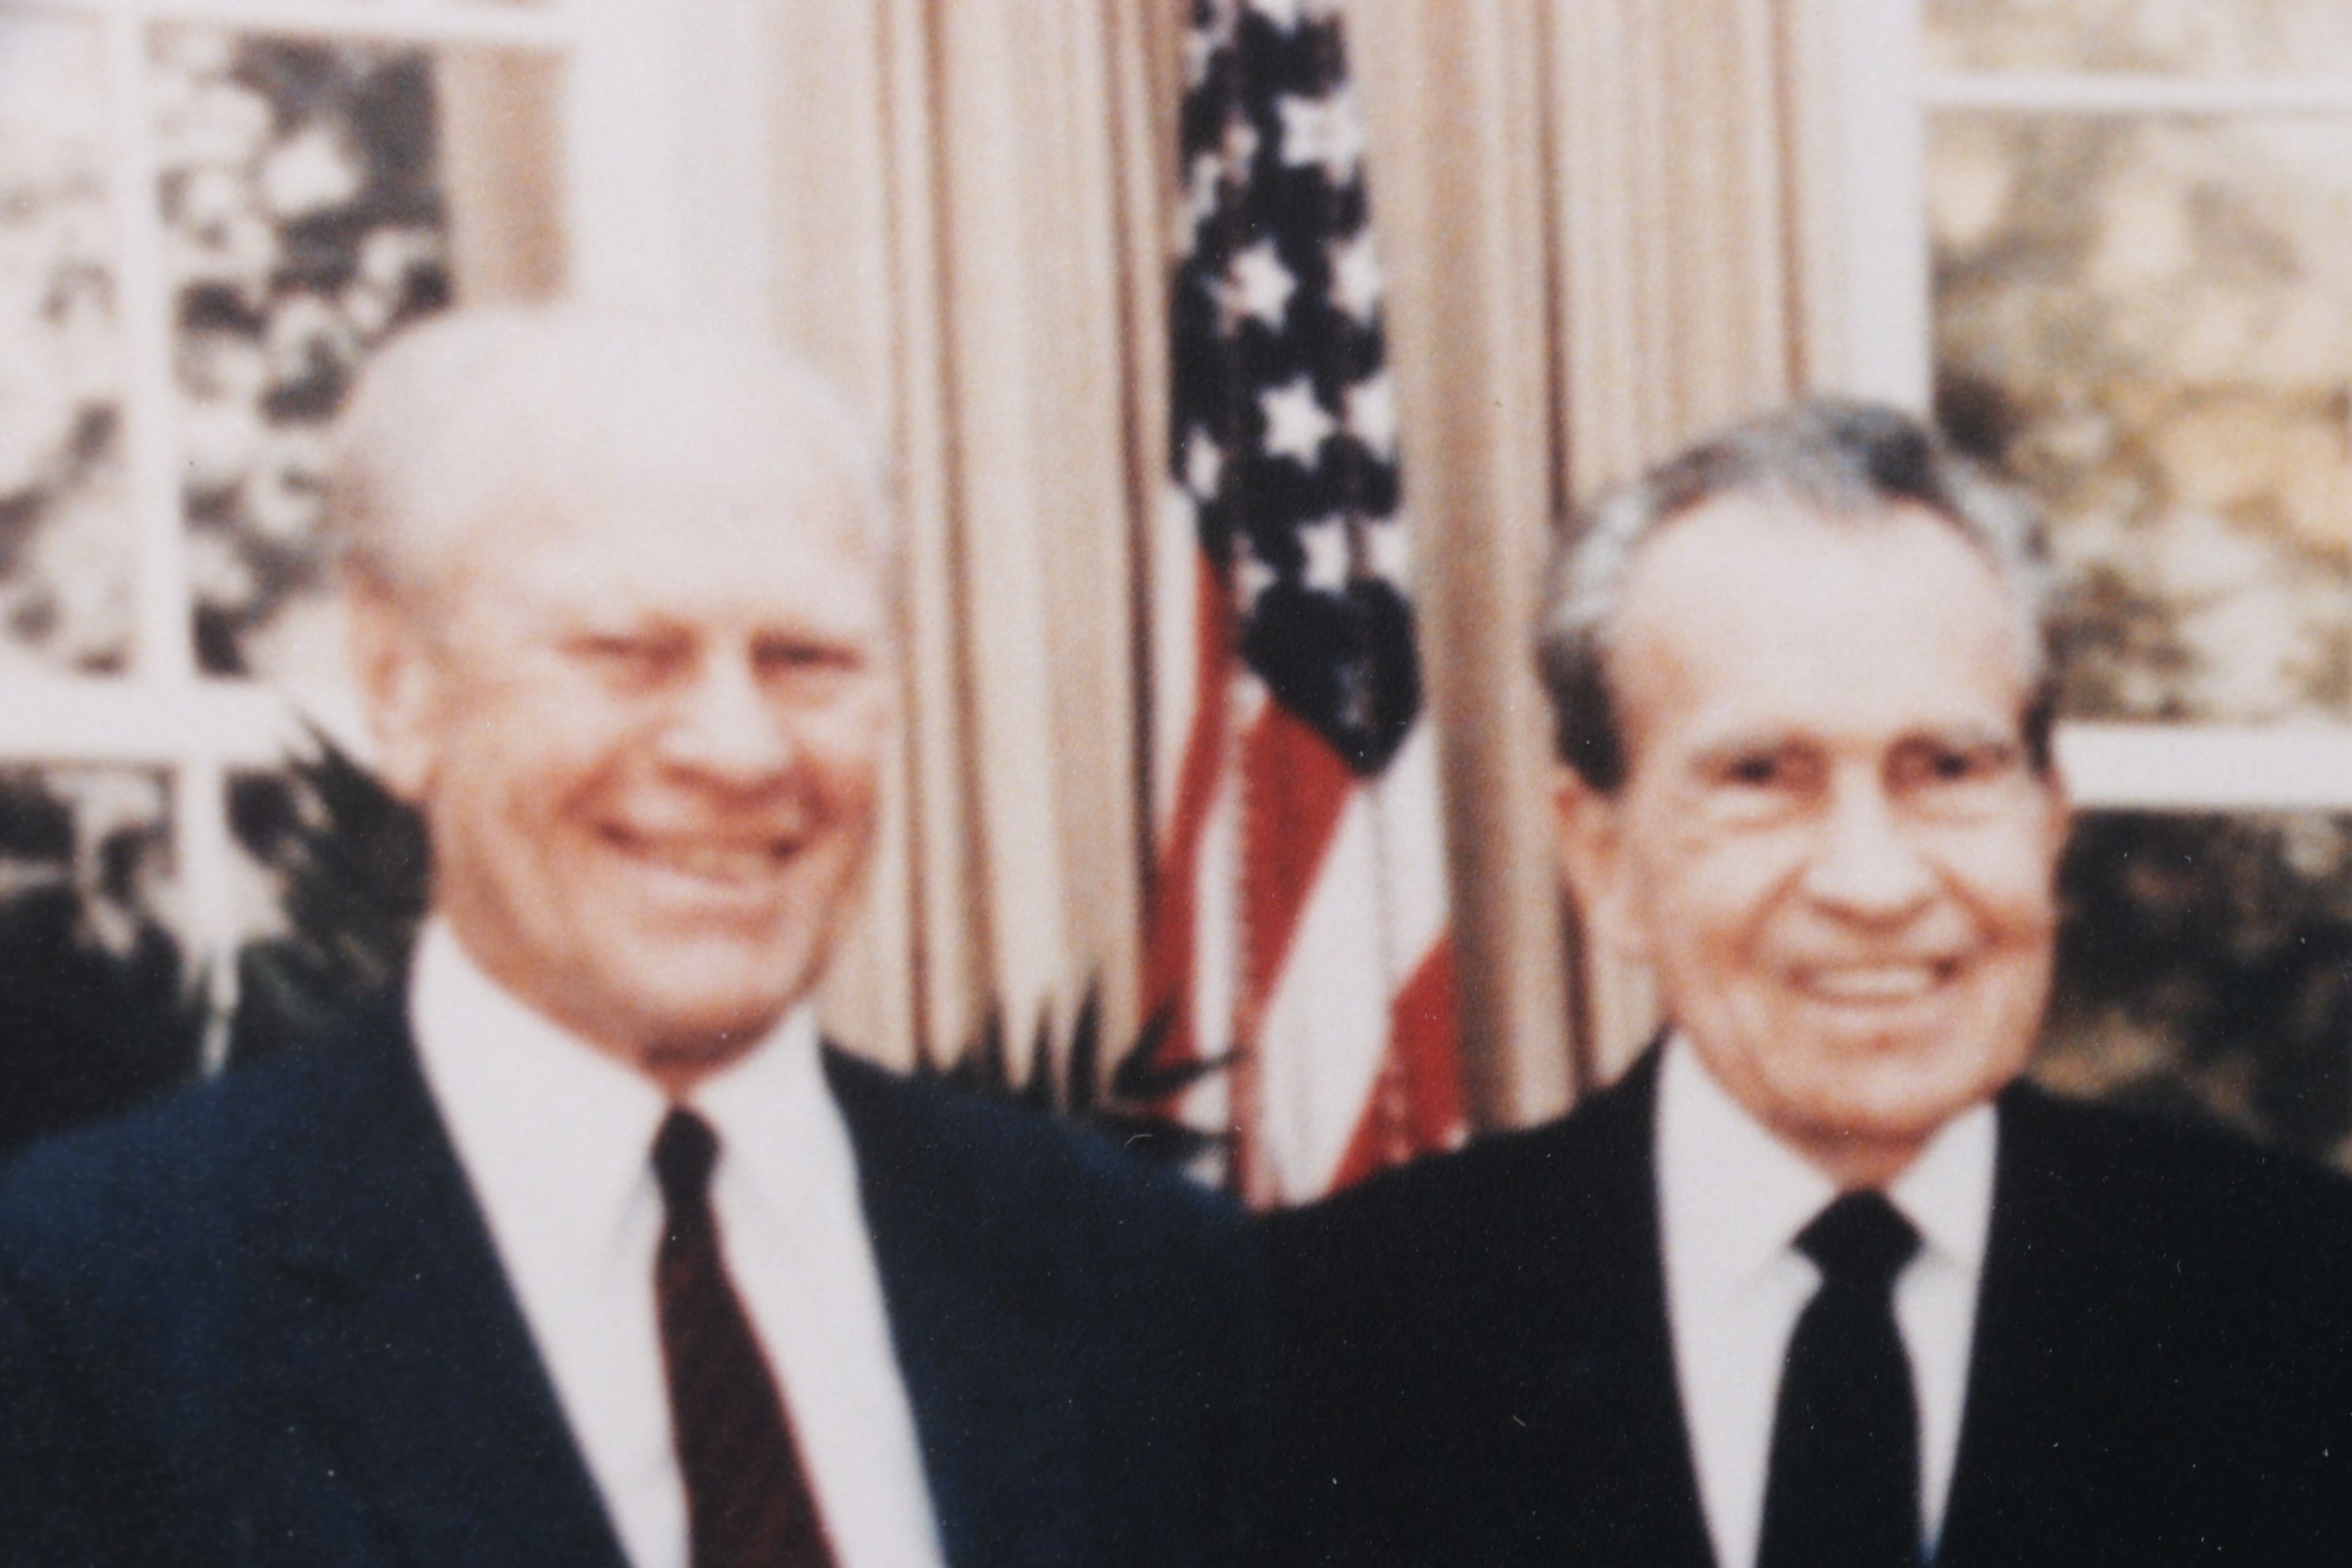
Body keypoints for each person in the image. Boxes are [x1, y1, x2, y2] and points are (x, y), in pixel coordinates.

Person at [0, 308, 1264, 1568]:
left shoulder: (1136, 1279)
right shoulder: (91, 1310)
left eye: (806, 658)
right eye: (626, 654)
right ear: (399, 688)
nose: (740, 748)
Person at [1267, 401, 2352, 1566]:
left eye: (1946, 768)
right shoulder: (1329, 1337)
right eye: (1761, 777)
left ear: (2047, 821)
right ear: (1602, 858)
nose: (1873, 883)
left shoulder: (2302, 1310)